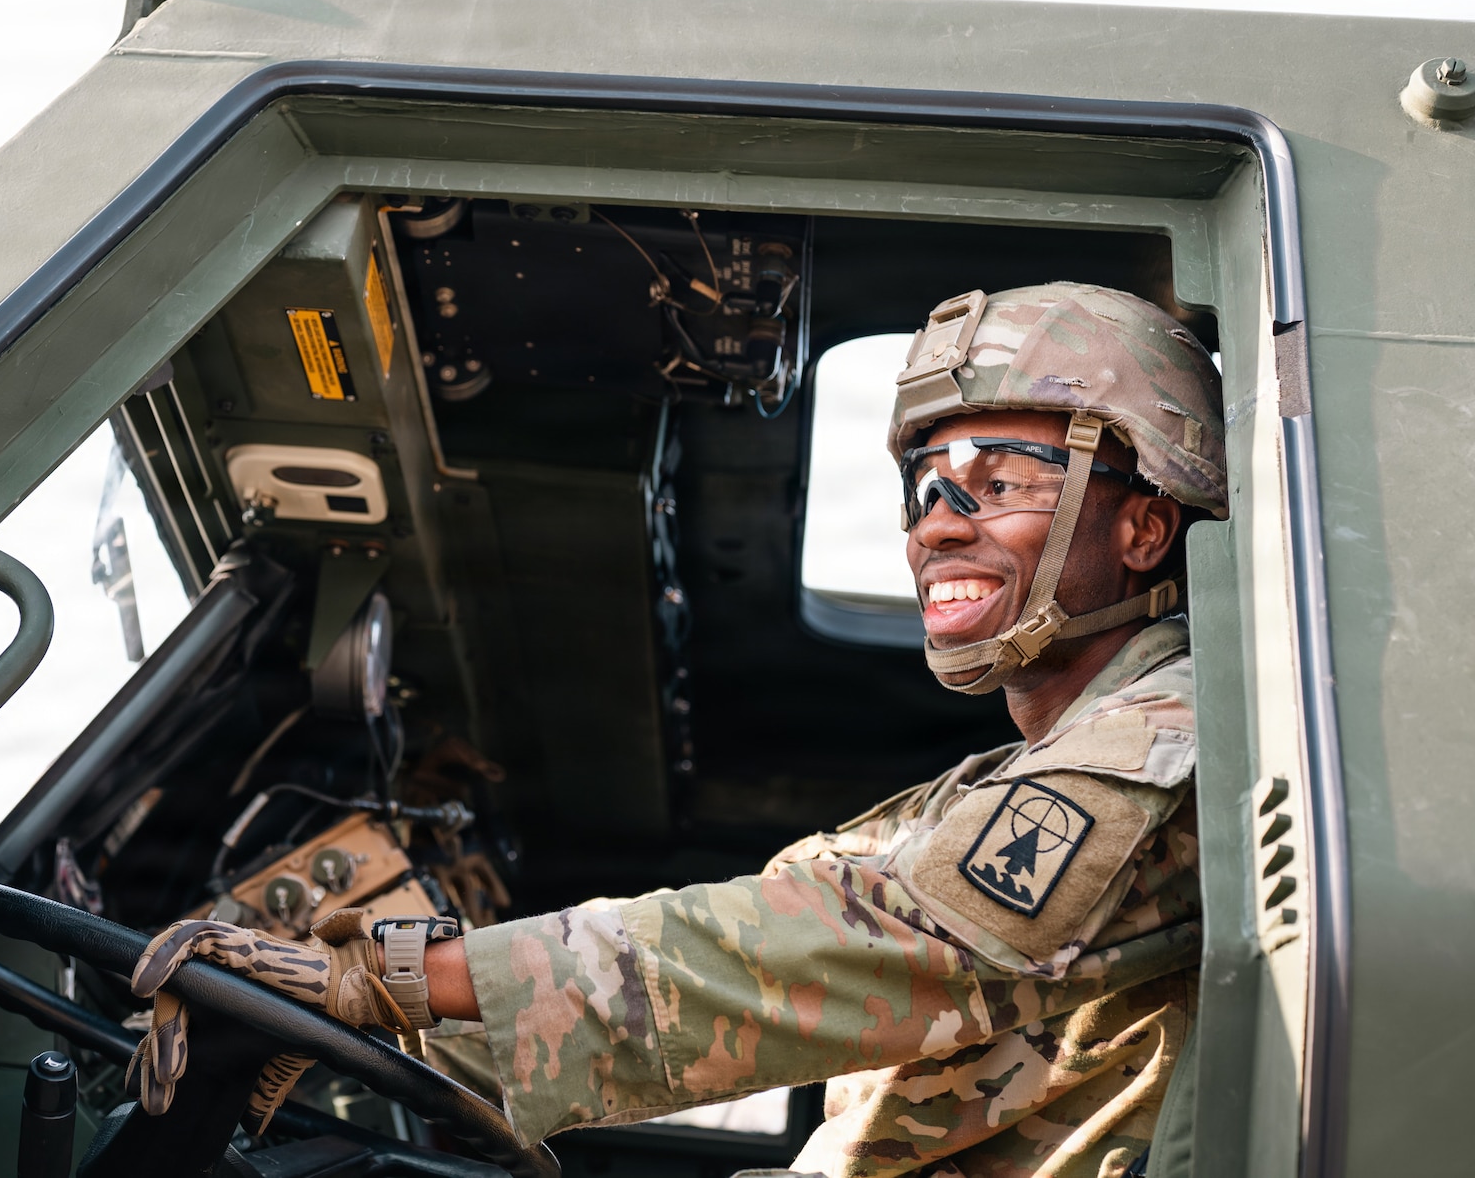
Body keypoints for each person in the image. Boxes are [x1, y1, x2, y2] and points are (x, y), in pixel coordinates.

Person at [127, 283, 1227, 1177]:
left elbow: (851, 942)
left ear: (1139, 525)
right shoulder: (1005, 778)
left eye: (1002, 482)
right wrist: (384, 1017)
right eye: (925, 486)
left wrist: (385, 976)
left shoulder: (1164, 738)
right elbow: (794, 920)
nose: (939, 523)